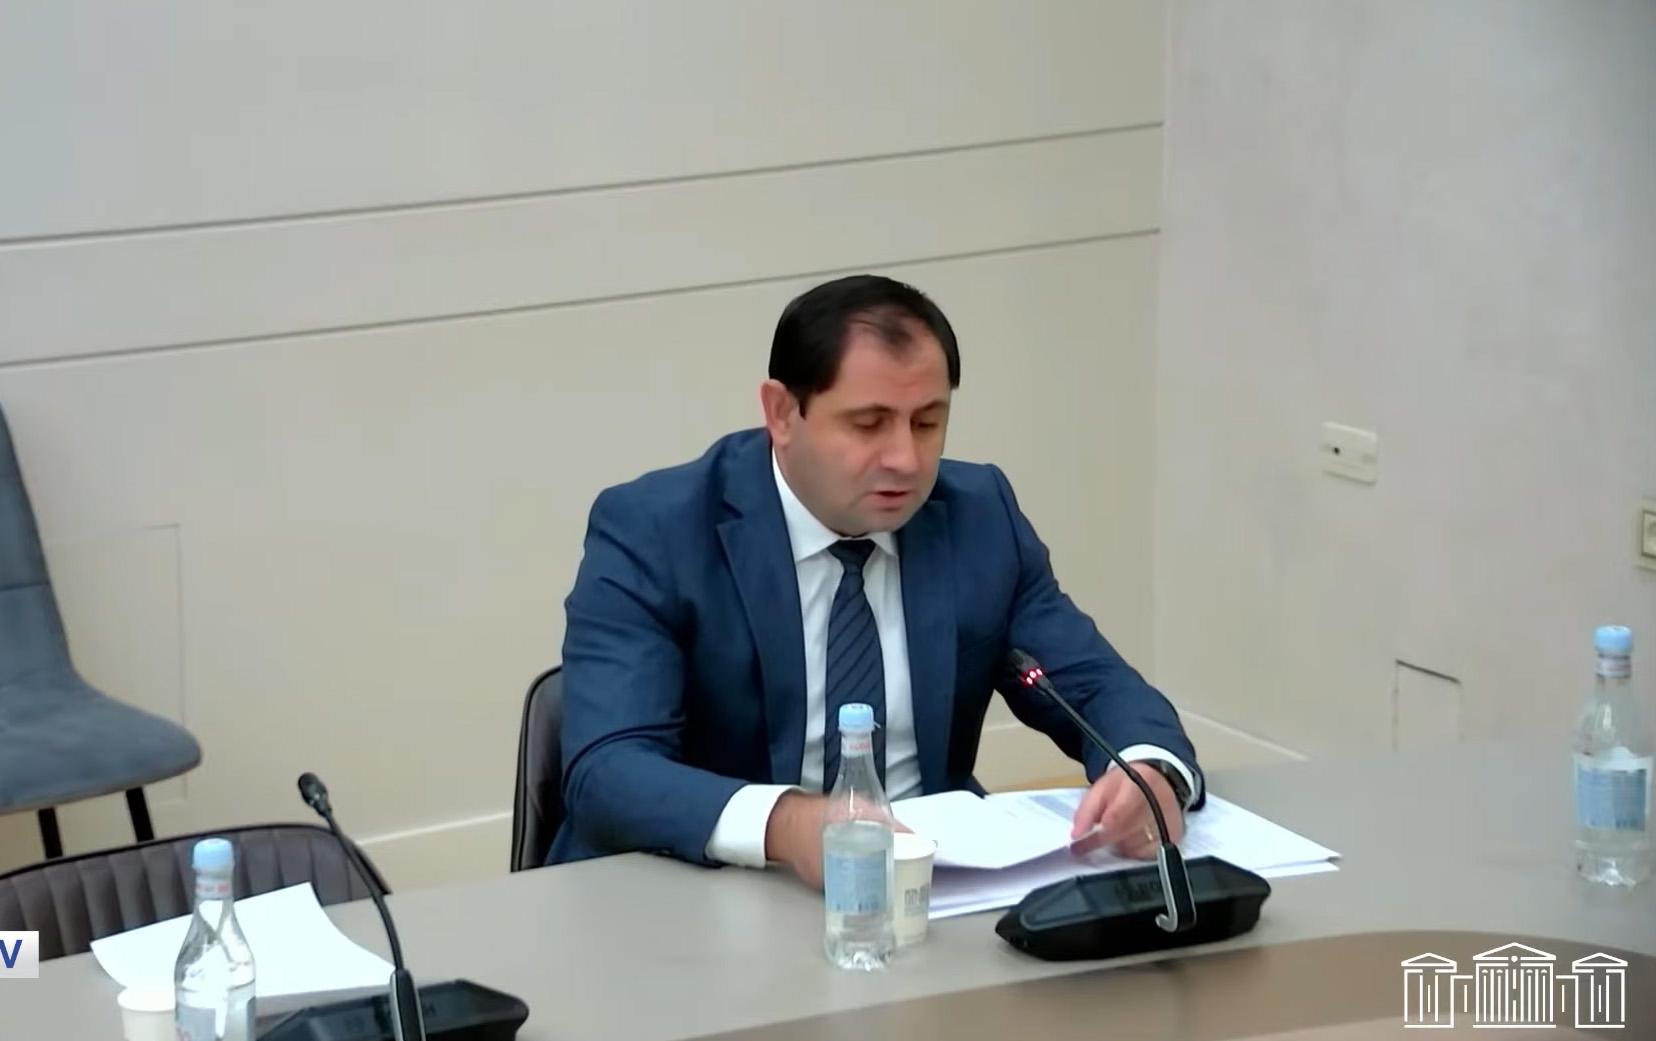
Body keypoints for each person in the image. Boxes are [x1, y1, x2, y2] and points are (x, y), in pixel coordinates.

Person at [548, 274, 1203, 886]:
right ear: (782, 413)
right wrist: (787, 824)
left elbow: (1096, 686)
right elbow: (608, 770)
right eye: (868, 424)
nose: (905, 459)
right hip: (698, 888)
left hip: (926, 890)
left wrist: (1152, 771)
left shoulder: (979, 517)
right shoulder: (656, 530)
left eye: (928, 422)